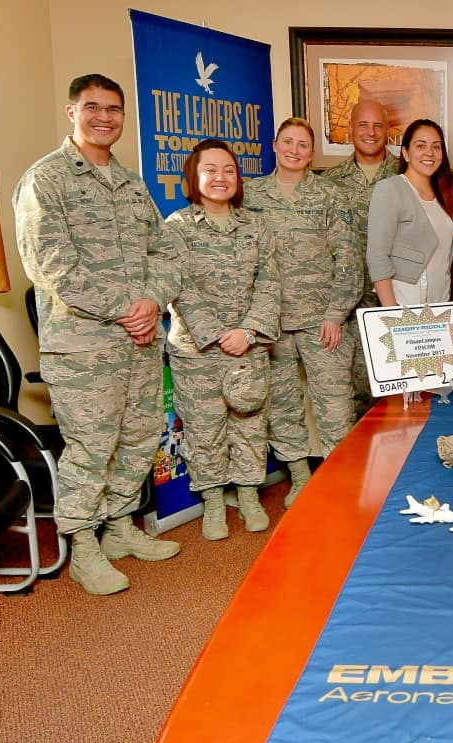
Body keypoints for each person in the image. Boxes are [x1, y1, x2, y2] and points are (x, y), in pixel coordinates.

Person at [12, 73, 180, 595]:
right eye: (92, 107)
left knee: (136, 439)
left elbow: (165, 252)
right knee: (90, 446)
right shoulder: (47, 180)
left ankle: (120, 529)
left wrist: (151, 301)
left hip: (139, 342)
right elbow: (49, 263)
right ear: (72, 112)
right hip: (85, 345)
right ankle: (83, 547)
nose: (104, 117)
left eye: (113, 109)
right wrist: (124, 309)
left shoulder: (131, 184)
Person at [165, 139, 281, 541]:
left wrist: (248, 332)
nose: (220, 178)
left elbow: (270, 283)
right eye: (210, 170)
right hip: (197, 351)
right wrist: (216, 335)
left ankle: (248, 497)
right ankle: (213, 502)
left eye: (229, 170)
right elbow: (179, 288)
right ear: (193, 179)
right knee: (204, 428)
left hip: (249, 345)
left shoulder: (257, 226)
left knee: (249, 423)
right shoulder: (176, 228)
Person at [244, 118, 360, 507]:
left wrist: (335, 313)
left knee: (335, 403)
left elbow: (348, 258)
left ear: (313, 153)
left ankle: (337, 477)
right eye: (288, 141)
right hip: (270, 322)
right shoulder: (251, 194)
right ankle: (298, 477)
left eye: (303, 144)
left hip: (321, 320)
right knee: (282, 404)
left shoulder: (328, 196)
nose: (294, 149)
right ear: (274, 145)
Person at [323, 100, 400, 417]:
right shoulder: (329, 181)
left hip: (396, 300)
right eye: (363, 125)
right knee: (354, 395)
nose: (370, 133)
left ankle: (398, 465)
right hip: (349, 308)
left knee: (399, 392)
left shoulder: (405, 174)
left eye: (378, 125)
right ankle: (362, 465)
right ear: (350, 130)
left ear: (388, 131)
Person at [366, 118, 453, 307]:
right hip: (403, 306)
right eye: (420, 145)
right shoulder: (390, 189)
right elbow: (377, 257)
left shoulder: (446, 196)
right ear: (406, 153)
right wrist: (391, 312)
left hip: (440, 306)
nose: (429, 152)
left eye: (436, 146)